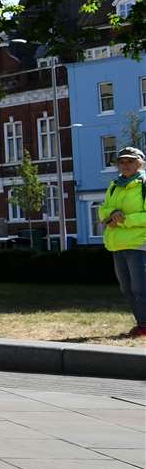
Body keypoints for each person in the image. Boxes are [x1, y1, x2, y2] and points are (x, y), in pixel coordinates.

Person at [98, 145, 146, 338]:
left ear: (140, 163)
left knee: (140, 288)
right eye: (122, 161)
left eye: (130, 161)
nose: (125, 165)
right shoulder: (114, 185)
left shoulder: (144, 184)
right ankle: (142, 324)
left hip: (140, 244)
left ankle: (144, 325)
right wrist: (111, 215)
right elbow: (103, 209)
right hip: (117, 244)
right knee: (127, 289)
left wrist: (125, 219)